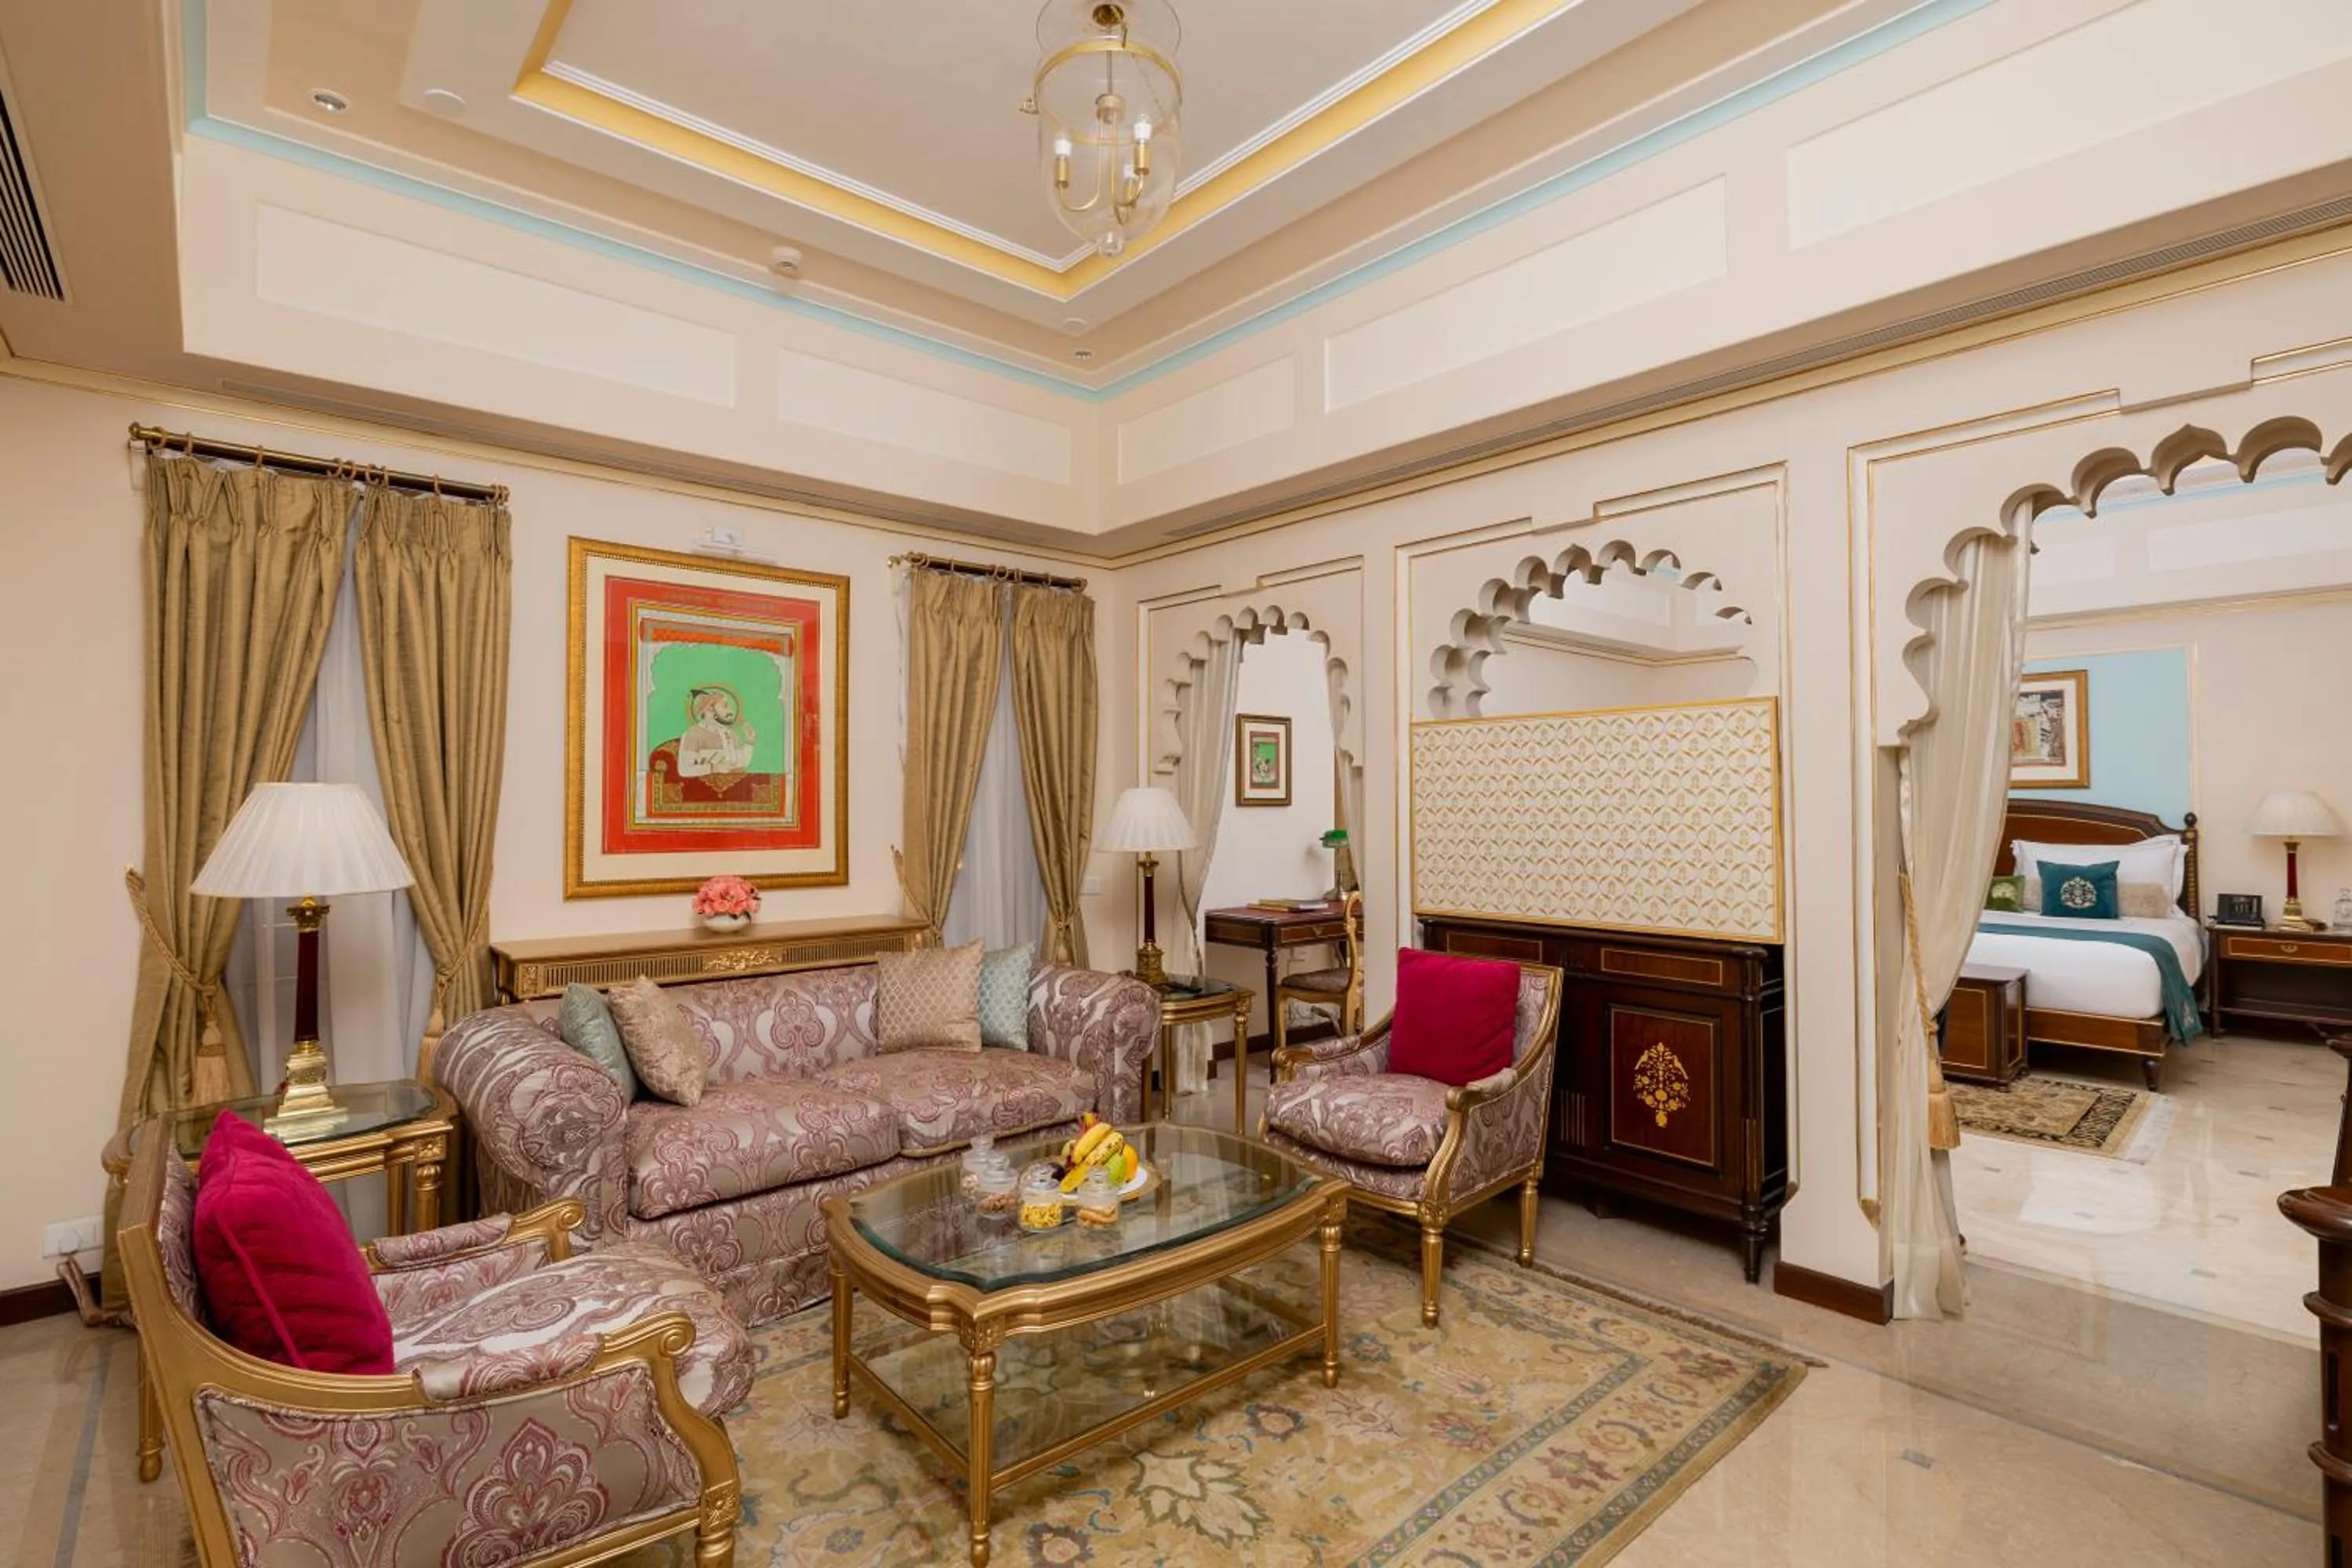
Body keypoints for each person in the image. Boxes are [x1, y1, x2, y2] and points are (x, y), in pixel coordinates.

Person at [677, 686, 756, 778]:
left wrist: (750, 742)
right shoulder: (693, 734)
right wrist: (714, 768)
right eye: (725, 706)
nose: (731, 711)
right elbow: (684, 770)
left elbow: (741, 764)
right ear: (710, 709)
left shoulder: (731, 734)